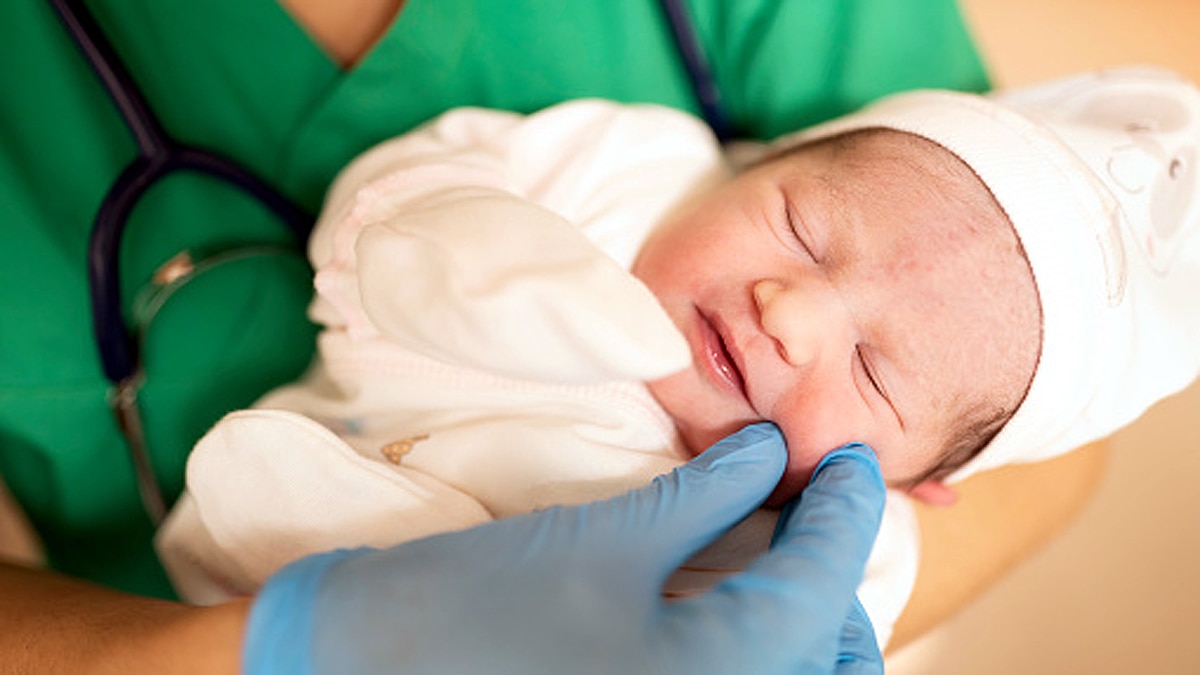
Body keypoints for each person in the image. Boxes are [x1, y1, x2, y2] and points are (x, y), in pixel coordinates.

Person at [0, 0, 1110, 672]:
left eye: (873, 366)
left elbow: (1041, 422)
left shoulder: (851, 531)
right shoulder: (615, 170)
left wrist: (739, 632)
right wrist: (280, 661)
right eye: (797, 229)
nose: (794, 310)